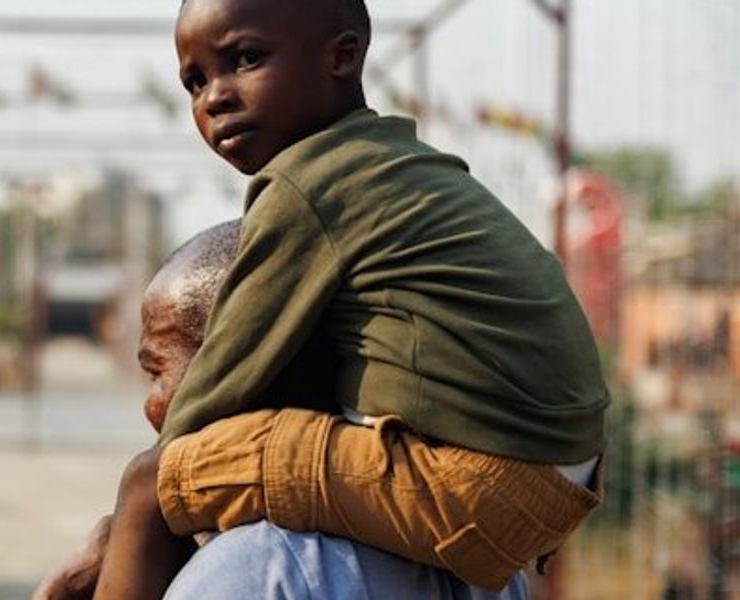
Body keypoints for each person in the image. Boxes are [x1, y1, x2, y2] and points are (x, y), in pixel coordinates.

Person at [93, 0, 609, 598]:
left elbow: (217, 383)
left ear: (343, 56)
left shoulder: (306, 186)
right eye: (195, 81)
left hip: (474, 481)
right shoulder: (398, 163)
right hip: (555, 484)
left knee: (150, 483)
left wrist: (127, 529)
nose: (215, 97)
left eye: (247, 59)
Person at [35, 221, 526, 600]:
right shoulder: (482, 558)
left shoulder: (254, 571)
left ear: (244, 374)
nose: (150, 408)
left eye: (157, 372)